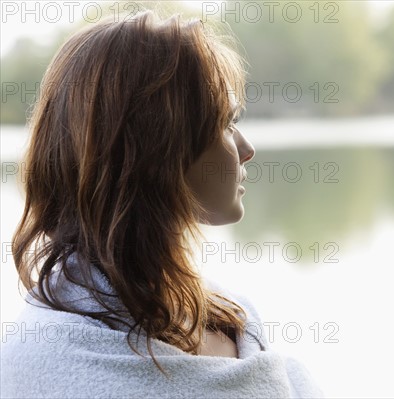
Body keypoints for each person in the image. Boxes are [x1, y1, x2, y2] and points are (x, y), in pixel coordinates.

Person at [1, 10, 323, 398]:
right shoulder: (47, 358)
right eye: (225, 122)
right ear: (157, 149)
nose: (246, 149)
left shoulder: (231, 315)